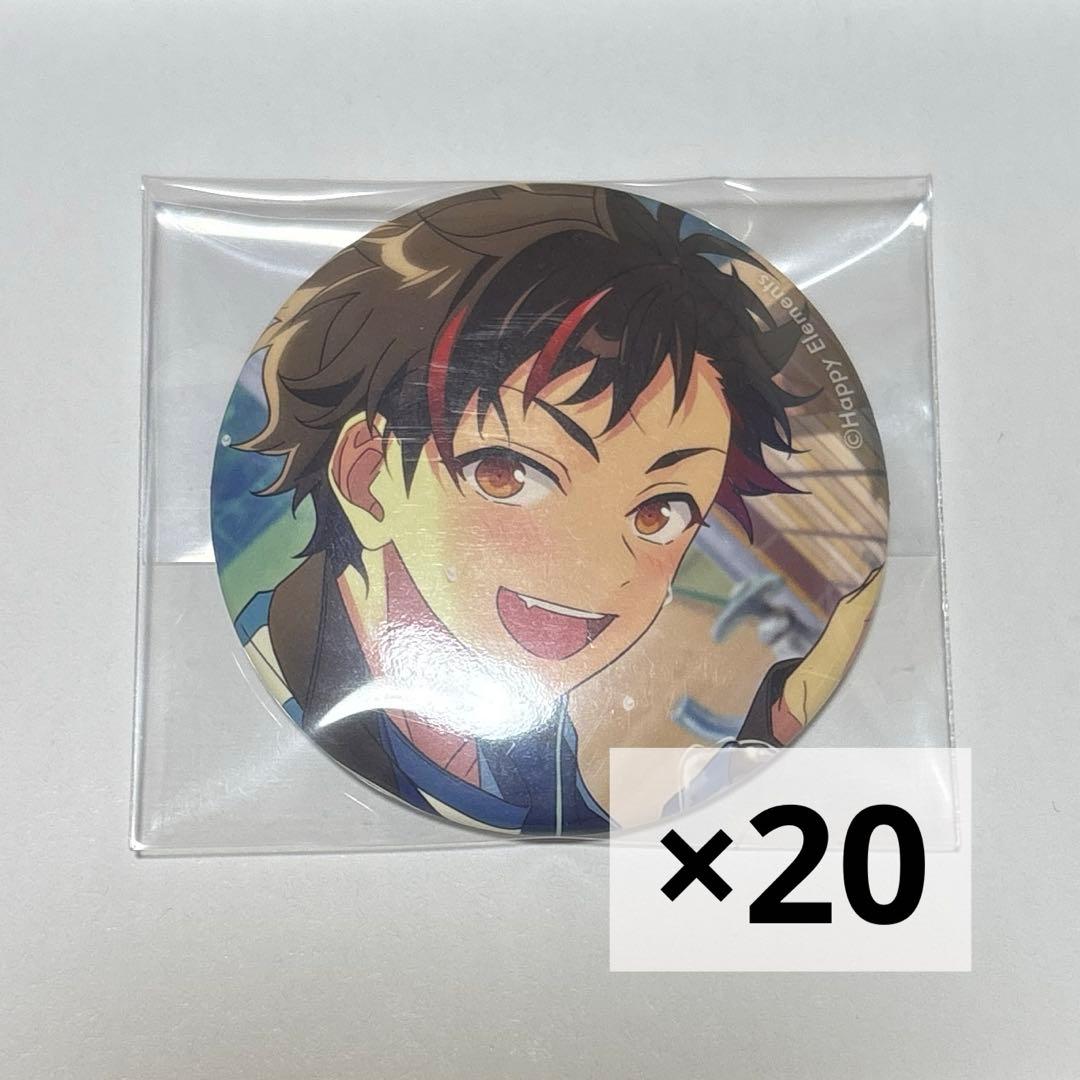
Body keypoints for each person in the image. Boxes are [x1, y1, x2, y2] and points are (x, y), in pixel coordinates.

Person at [228, 184, 881, 835]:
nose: (602, 572)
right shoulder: (270, 708)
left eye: (658, 514)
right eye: (507, 474)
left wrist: (782, 715)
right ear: (369, 478)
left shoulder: (522, 732)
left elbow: (595, 826)